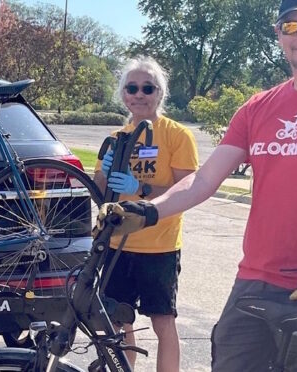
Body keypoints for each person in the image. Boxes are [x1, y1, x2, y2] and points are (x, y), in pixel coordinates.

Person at [102, 0, 297, 371]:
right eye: (290, 26)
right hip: (255, 280)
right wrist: (148, 211)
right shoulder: (259, 107)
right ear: (278, 35)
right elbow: (206, 178)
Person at [93, 56, 199, 372]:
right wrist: (105, 168)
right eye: (132, 87)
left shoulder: (176, 135)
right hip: (116, 245)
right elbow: (99, 192)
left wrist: (140, 188)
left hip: (159, 247)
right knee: (116, 322)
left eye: (147, 88)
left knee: (162, 322)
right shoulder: (115, 138)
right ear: (123, 93)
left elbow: (187, 189)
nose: (139, 94)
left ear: (159, 94)